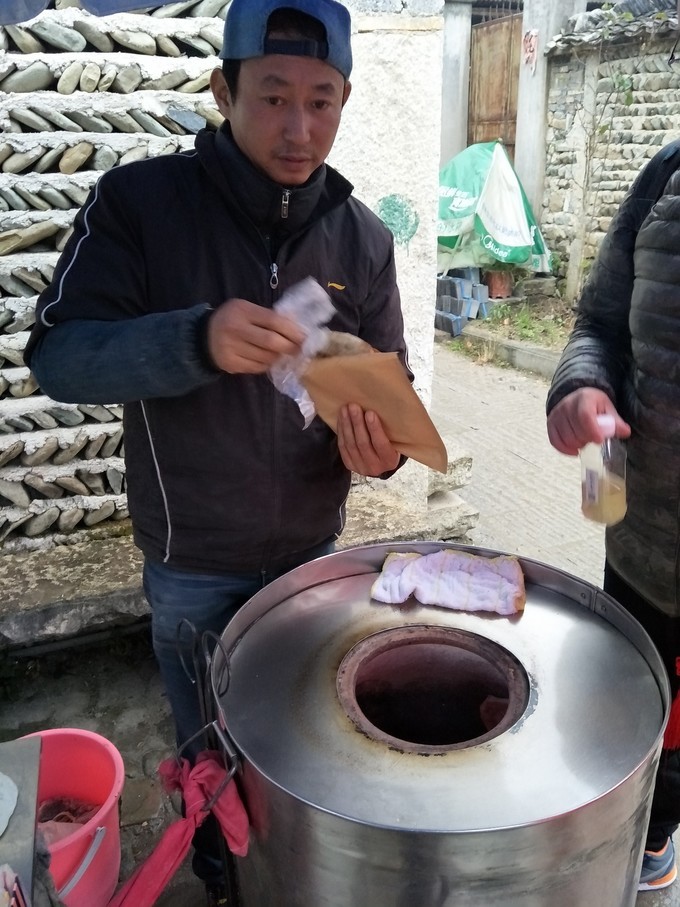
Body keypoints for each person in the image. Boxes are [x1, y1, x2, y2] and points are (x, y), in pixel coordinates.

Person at [24, 1, 410, 903]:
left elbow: (391, 402)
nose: (298, 127)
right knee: (210, 753)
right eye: (273, 96)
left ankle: (294, 873)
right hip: (192, 561)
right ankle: (219, 874)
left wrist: (382, 452)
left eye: (322, 100)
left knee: (305, 753)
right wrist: (193, 340)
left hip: (313, 557)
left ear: (345, 100)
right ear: (222, 90)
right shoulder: (140, 205)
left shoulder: (364, 239)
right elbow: (60, 357)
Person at [546, 136, 680, 893]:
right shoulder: (668, 172)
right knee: (626, 707)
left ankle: (653, 833)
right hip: (640, 543)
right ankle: (635, 831)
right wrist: (578, 388)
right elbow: (597, 322)